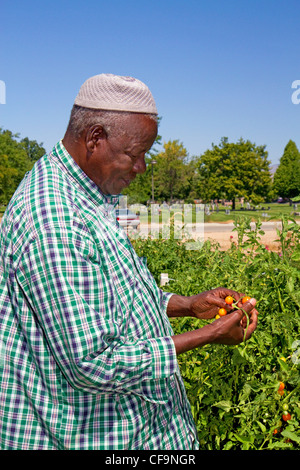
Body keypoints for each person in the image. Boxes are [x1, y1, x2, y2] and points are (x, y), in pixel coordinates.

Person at [0, 74, 258, 450]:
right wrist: (210, 335)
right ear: (95, 138)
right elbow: (91, 363)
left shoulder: (89, 195)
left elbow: (121, 295)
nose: (141, 168)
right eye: (134, 154)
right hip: (86, 435)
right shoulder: (52, 216)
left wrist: (187, 306)